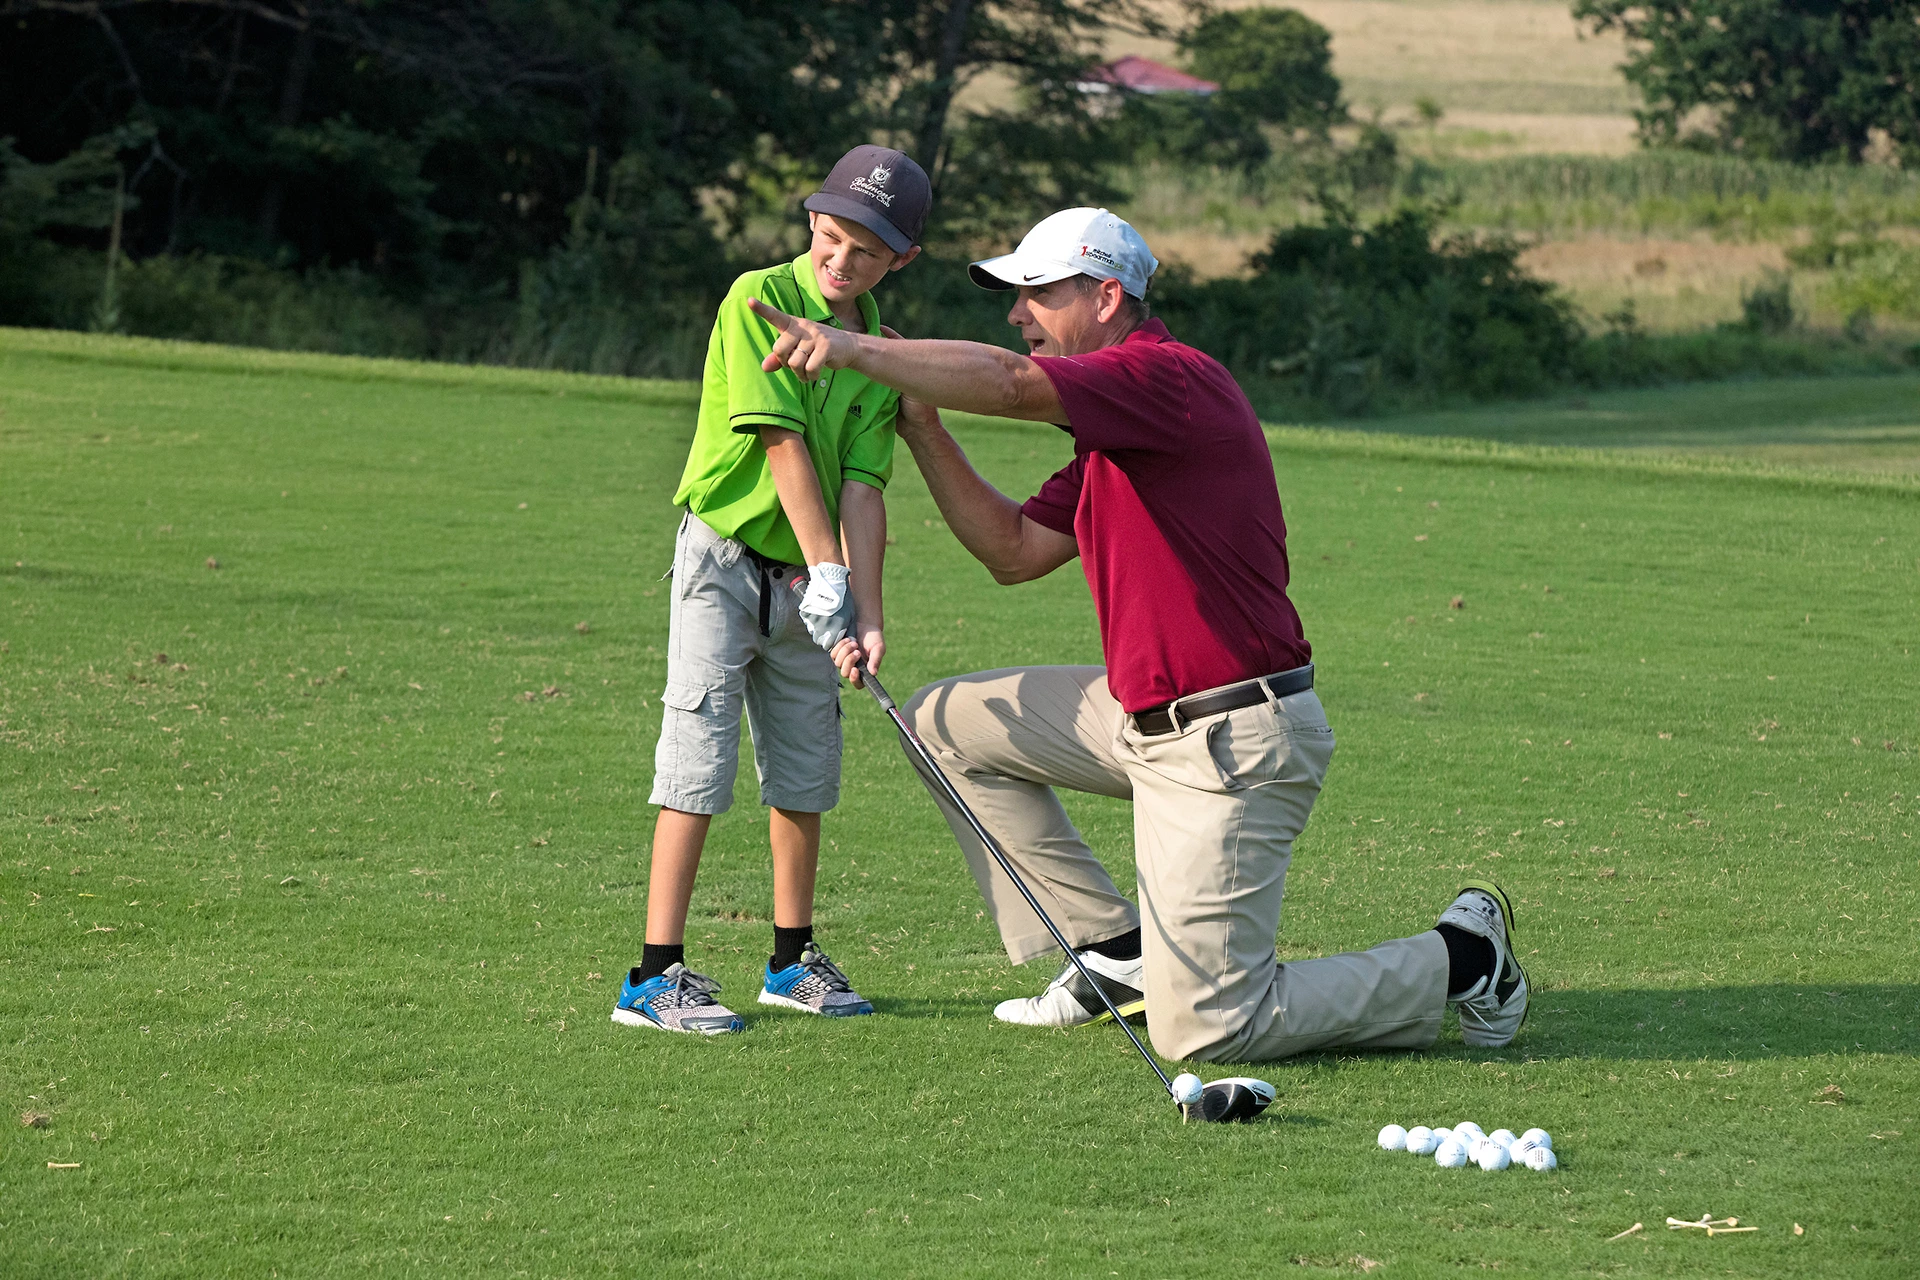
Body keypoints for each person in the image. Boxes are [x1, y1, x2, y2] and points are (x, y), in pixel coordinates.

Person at [744, 207, 1530, 1063]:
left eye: (1038, 294)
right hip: (1141, 717)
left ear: (1108, 298)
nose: (1018, 314)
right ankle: (1118, 953)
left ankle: (1461, 961)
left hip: (1231, 740)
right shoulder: (1112, 435)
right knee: (940, 727)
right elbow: (1012, 552)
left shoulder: (1168, 381)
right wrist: (926, 427)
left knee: (1208, 1029)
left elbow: (1009, 383)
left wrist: (855, 348)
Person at [612, 146, 931, 1035]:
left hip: (809, 585)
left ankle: (791, 961)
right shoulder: (759, 301)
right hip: (723, 560)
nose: (842, 261)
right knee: (698, 756)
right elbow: (783, 447)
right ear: (812, 224)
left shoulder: (875, 354)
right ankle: (653, 975)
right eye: (831, 237)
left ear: (900, 261)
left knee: (804, 769)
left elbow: (866, 488)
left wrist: (865, 612)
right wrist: (828, 573)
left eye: (866, 252)